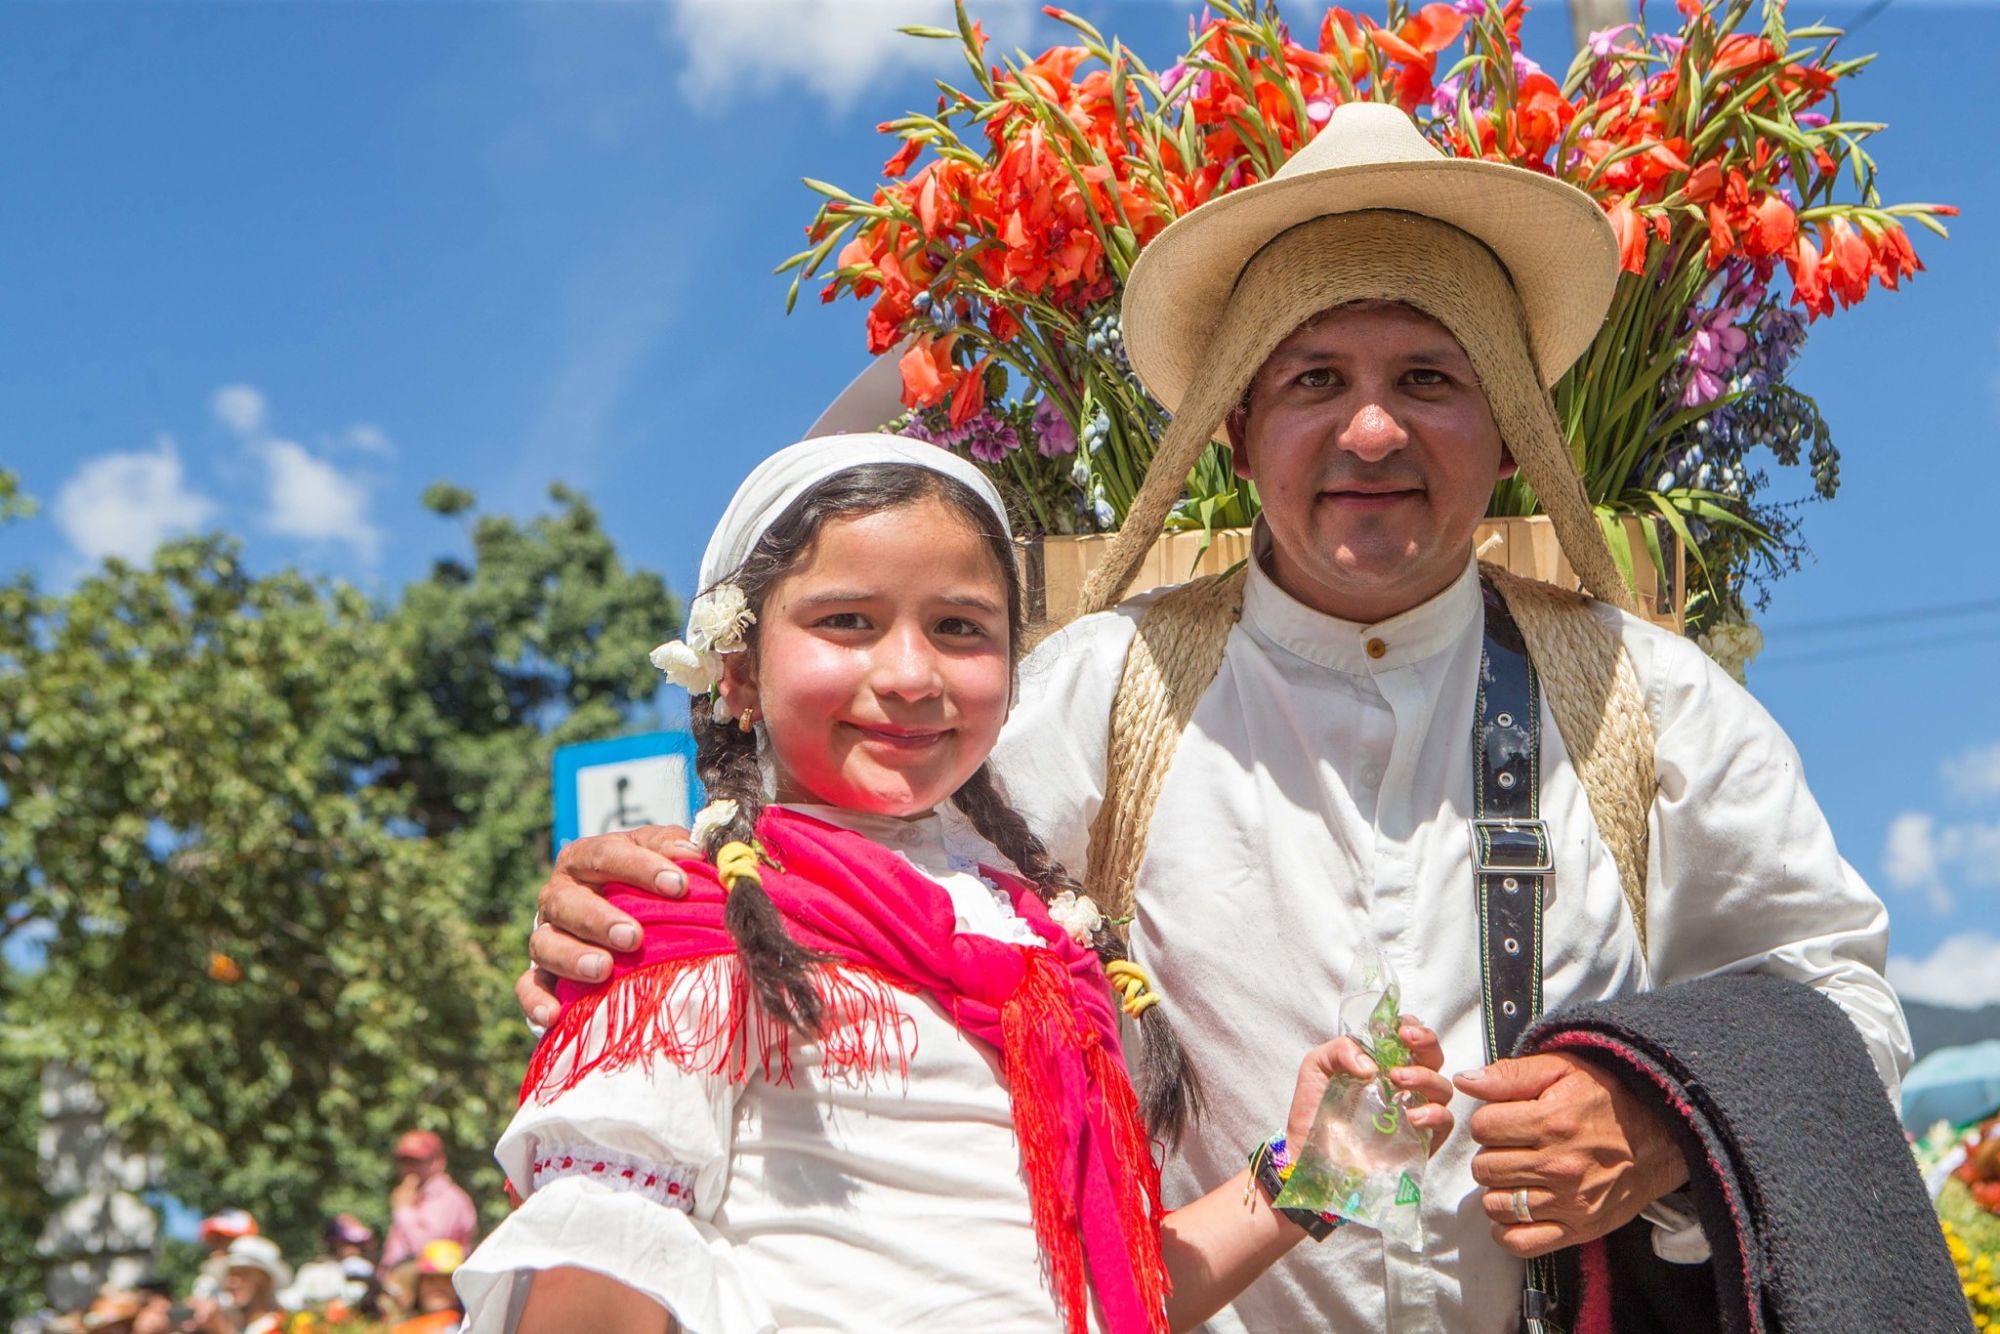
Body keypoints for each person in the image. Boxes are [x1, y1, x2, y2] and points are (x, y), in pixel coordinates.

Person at [523, 105, 1912, 1333]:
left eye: (1427, 377)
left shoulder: (1651, 701)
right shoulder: (1096, 691)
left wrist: (1665, 1116)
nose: (1373, 431)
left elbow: (1838, 990)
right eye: (1315, 381)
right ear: (1238, 433)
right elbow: (856, 886)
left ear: (1506, 427)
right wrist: (644, 908)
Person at [457, 436, 1457, 1332]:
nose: (907, 672)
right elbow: (605, 1245)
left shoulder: (1043, 940)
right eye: (845, 619)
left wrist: (1319, 1168)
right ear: (734, 671)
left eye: (960, 627)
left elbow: (1122, 1293)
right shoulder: (685, 915)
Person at [379, 1131, 477, 1274]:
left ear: (439, 1161)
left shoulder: (449, 1199)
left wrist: (403, 1210)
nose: (409, 1168)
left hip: (433, 1285)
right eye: (404, 1161)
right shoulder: (411, 1195)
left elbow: (428, 1251)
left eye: (417, 1161)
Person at [391, 1241, 467, 1334]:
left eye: (447, 1280)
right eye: (431, 1279)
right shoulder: (400, 1327)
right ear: (418, 1284)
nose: (439, 1287)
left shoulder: (475, 1326)